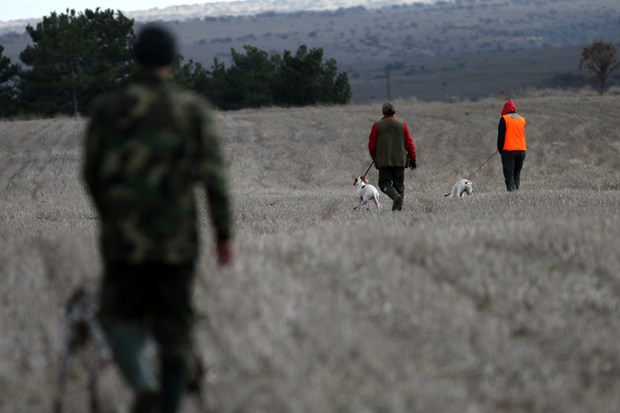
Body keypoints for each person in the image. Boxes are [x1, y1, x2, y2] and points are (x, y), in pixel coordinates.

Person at [82, 24, 233, 413]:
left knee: (121, 317)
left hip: (122, 239)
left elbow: (92, 173)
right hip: (177, 241)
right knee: (176, 330)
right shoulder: (193, 110)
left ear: (136, 58)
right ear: (171, 59)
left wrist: (110, 214)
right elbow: (215, 179)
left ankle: (141, 384)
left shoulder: (106, 110)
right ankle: (165, 406)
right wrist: (223, 236)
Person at [367, 101, 417, 211]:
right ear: (394, 111)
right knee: (399, 186)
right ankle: (397, 213)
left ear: (383, 112)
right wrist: (413, 158)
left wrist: (374, 156)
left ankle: (395, 197)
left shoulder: (377, 125)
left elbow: (371, 145)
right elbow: (409, 143)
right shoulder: (401, 124)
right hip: (400, 161)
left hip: (384, 162)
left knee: (384, 183)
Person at [497, 100, 527, 191]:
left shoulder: (504, 119)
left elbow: (501, 136)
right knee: (516, 173)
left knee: (509, 175)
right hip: (522, 150)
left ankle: (511, 194)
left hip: (509, 151)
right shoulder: (522, 119)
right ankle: (516, 192)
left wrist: (500, 149)